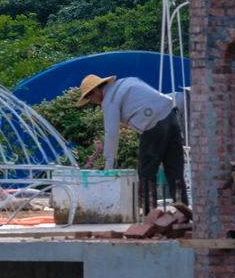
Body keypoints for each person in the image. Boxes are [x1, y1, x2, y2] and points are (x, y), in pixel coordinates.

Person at [77, 73, 185, 209]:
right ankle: (183, 211)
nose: (91, 101)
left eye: (89, 97)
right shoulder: (127, 82)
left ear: (96, 90)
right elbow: (138, 107)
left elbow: (111, 133)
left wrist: (108, 167)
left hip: (152, 125)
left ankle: (149, 214)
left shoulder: (109, 100)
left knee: (146, 172)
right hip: (171, 116)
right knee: (174, 168)